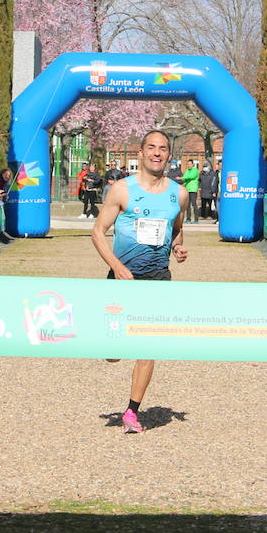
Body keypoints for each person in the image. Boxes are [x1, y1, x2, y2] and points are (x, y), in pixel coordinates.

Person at [90, 130, 188, 434]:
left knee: (148, 346)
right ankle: (116, 340)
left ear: (169, 155)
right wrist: (116, 266)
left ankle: (132, 412)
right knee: (112, 354)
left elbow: (176, 228)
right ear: (141, 153)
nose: (157, 153)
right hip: (123, 276)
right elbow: (97, 232)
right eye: (151, 148)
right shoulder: (122, 190)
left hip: (158, 278)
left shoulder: (179, 194)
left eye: (162, 149)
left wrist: (178, 247)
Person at [181, 159, 200, 223]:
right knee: (187, 205)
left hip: (193, 189)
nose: (188, 165)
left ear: (193, 164)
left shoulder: (195, 170)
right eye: (188, 164)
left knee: (194, 204)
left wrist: (183, 178)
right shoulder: (187, 170)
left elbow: (191, 176)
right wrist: (183, 178)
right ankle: (188, 219)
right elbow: (185, 177)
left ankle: (196, 219)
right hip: (187, 189)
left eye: (190, 164)